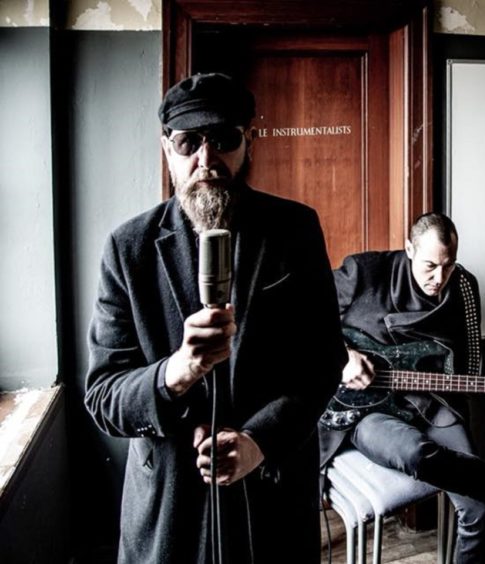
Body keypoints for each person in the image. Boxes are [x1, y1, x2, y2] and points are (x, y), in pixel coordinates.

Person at [85, 73, 347, 564]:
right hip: (170, 509)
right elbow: (103, 396)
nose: (206, 160)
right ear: (168, 149)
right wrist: (175, 371)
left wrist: (257, 441)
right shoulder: (128, 249)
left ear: (248, 142)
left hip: (270, 498)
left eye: (223, 139)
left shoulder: (295, 229)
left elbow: (324, 360)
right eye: (188, 142)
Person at [319, 212, 485, 564]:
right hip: (367, 410)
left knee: (478, 507)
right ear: (409, 248)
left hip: (432, 401)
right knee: (415, 453)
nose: (438, 278)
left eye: (448, 266)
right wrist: (344, 355)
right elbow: (302, 313)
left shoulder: (463, 288)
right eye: (429, 266)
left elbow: (471, 365)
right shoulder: (365, 272)